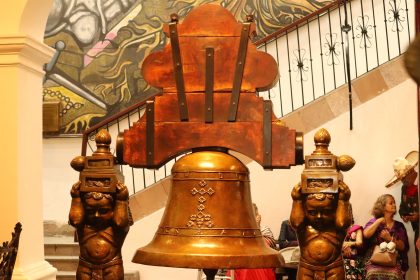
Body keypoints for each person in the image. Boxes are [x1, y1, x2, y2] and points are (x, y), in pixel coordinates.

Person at [69, 181, 132, 280]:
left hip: (111, 266)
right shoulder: (83, 225)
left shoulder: (117, 229)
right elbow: (75, 220)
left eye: (103, 211)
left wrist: (121, 200)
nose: (96, 215)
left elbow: (120, 222)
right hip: (85, 266)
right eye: (90, 211)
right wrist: (76, 199)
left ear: (113, 211)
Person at [363, 194, 409, 280]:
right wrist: (378, 221)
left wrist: (390, 238)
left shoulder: (399, 225)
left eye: (394, 203)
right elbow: (366, 234)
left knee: (394, 274)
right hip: (374, 260)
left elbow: (403, 247)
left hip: (393, 260)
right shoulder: (373, 222)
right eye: (391, 203)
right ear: (383, 207)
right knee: (371, 273)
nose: (394, 205)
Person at [385, 151, 418, 269]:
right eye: (401, 178)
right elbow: (402, 208)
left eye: (403, 177)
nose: (402, 181)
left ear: (411, 171)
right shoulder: (404, 188)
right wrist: (405, 216)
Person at [229, 204, 276, 280]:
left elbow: (269, 247)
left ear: (257, 216)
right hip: (242, 262)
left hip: (262, 262)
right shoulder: (239, 231)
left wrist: (256, 227)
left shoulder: (265, 229)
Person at [342, 205, 365, 279]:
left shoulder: (356, 228)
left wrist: (349, 244)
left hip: (354, 260)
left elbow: (359, 243)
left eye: (348, 211)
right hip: (340, 259)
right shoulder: (337, 230)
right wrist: (343, 248)